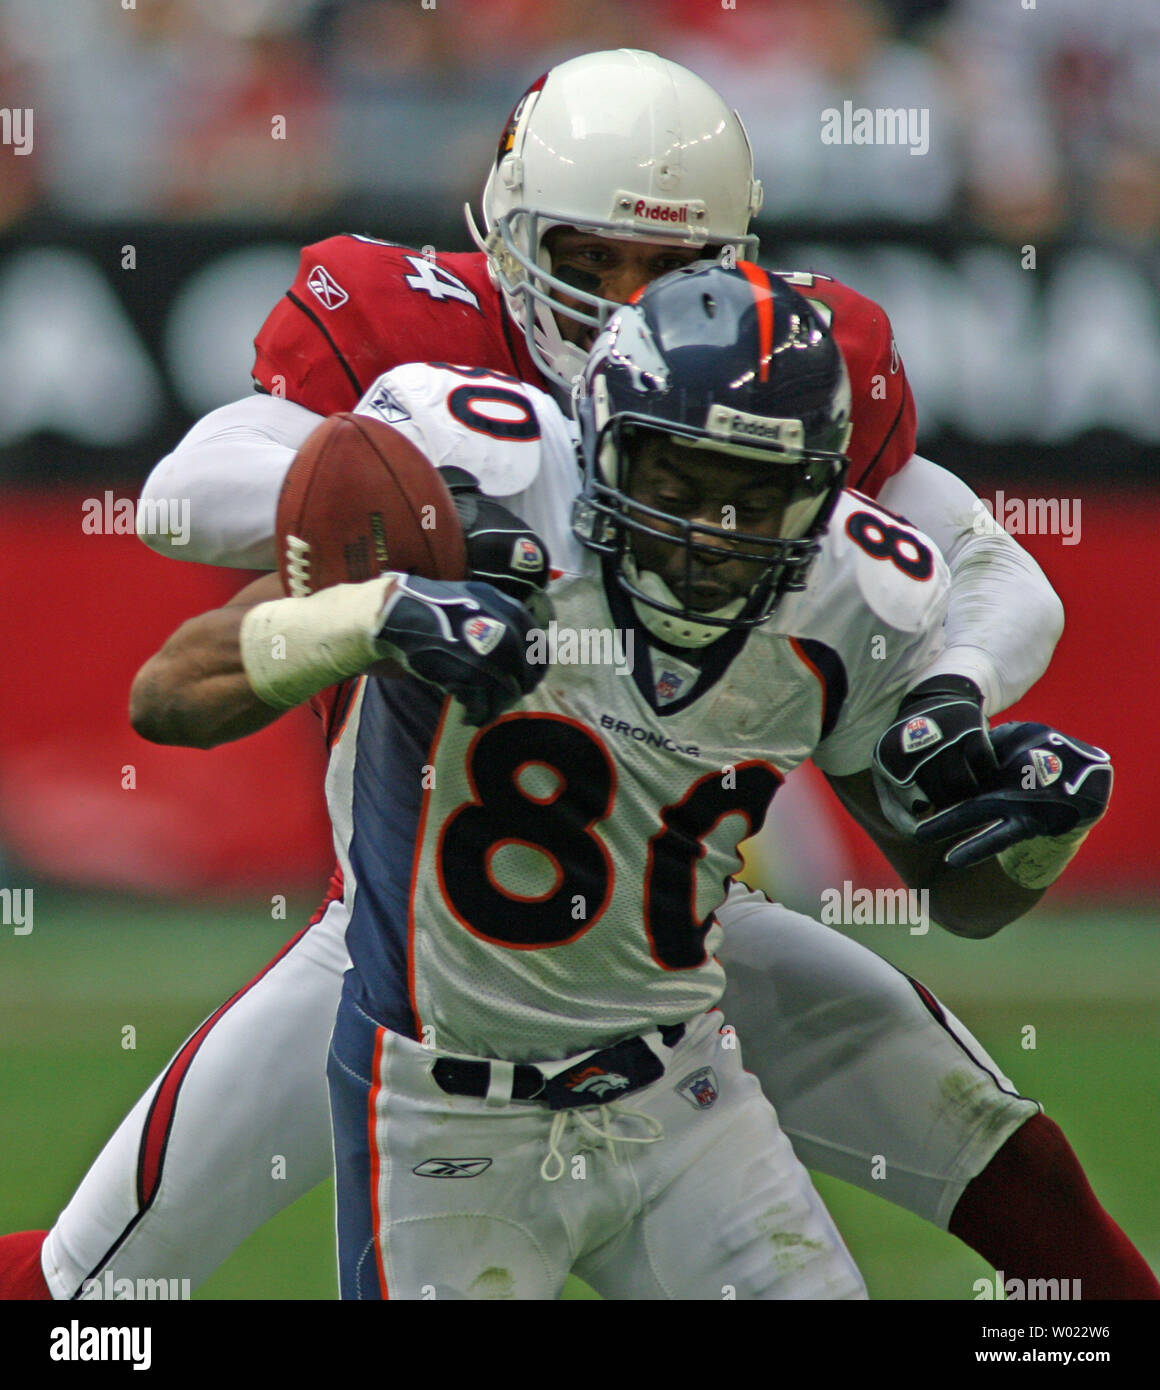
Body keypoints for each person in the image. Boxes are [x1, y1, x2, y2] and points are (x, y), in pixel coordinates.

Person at [2, 50, 1154, 1300]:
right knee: (93, 1288)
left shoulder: (773, 398)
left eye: (671, 268)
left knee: (995, 1149)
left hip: (672, 950)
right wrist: (417, 555)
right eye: (590, 259)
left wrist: (952, 701)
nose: (625, 304)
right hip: (413, 956)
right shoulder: (440, 401)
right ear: (504, 237)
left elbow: (976, 567)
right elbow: (195, 500)